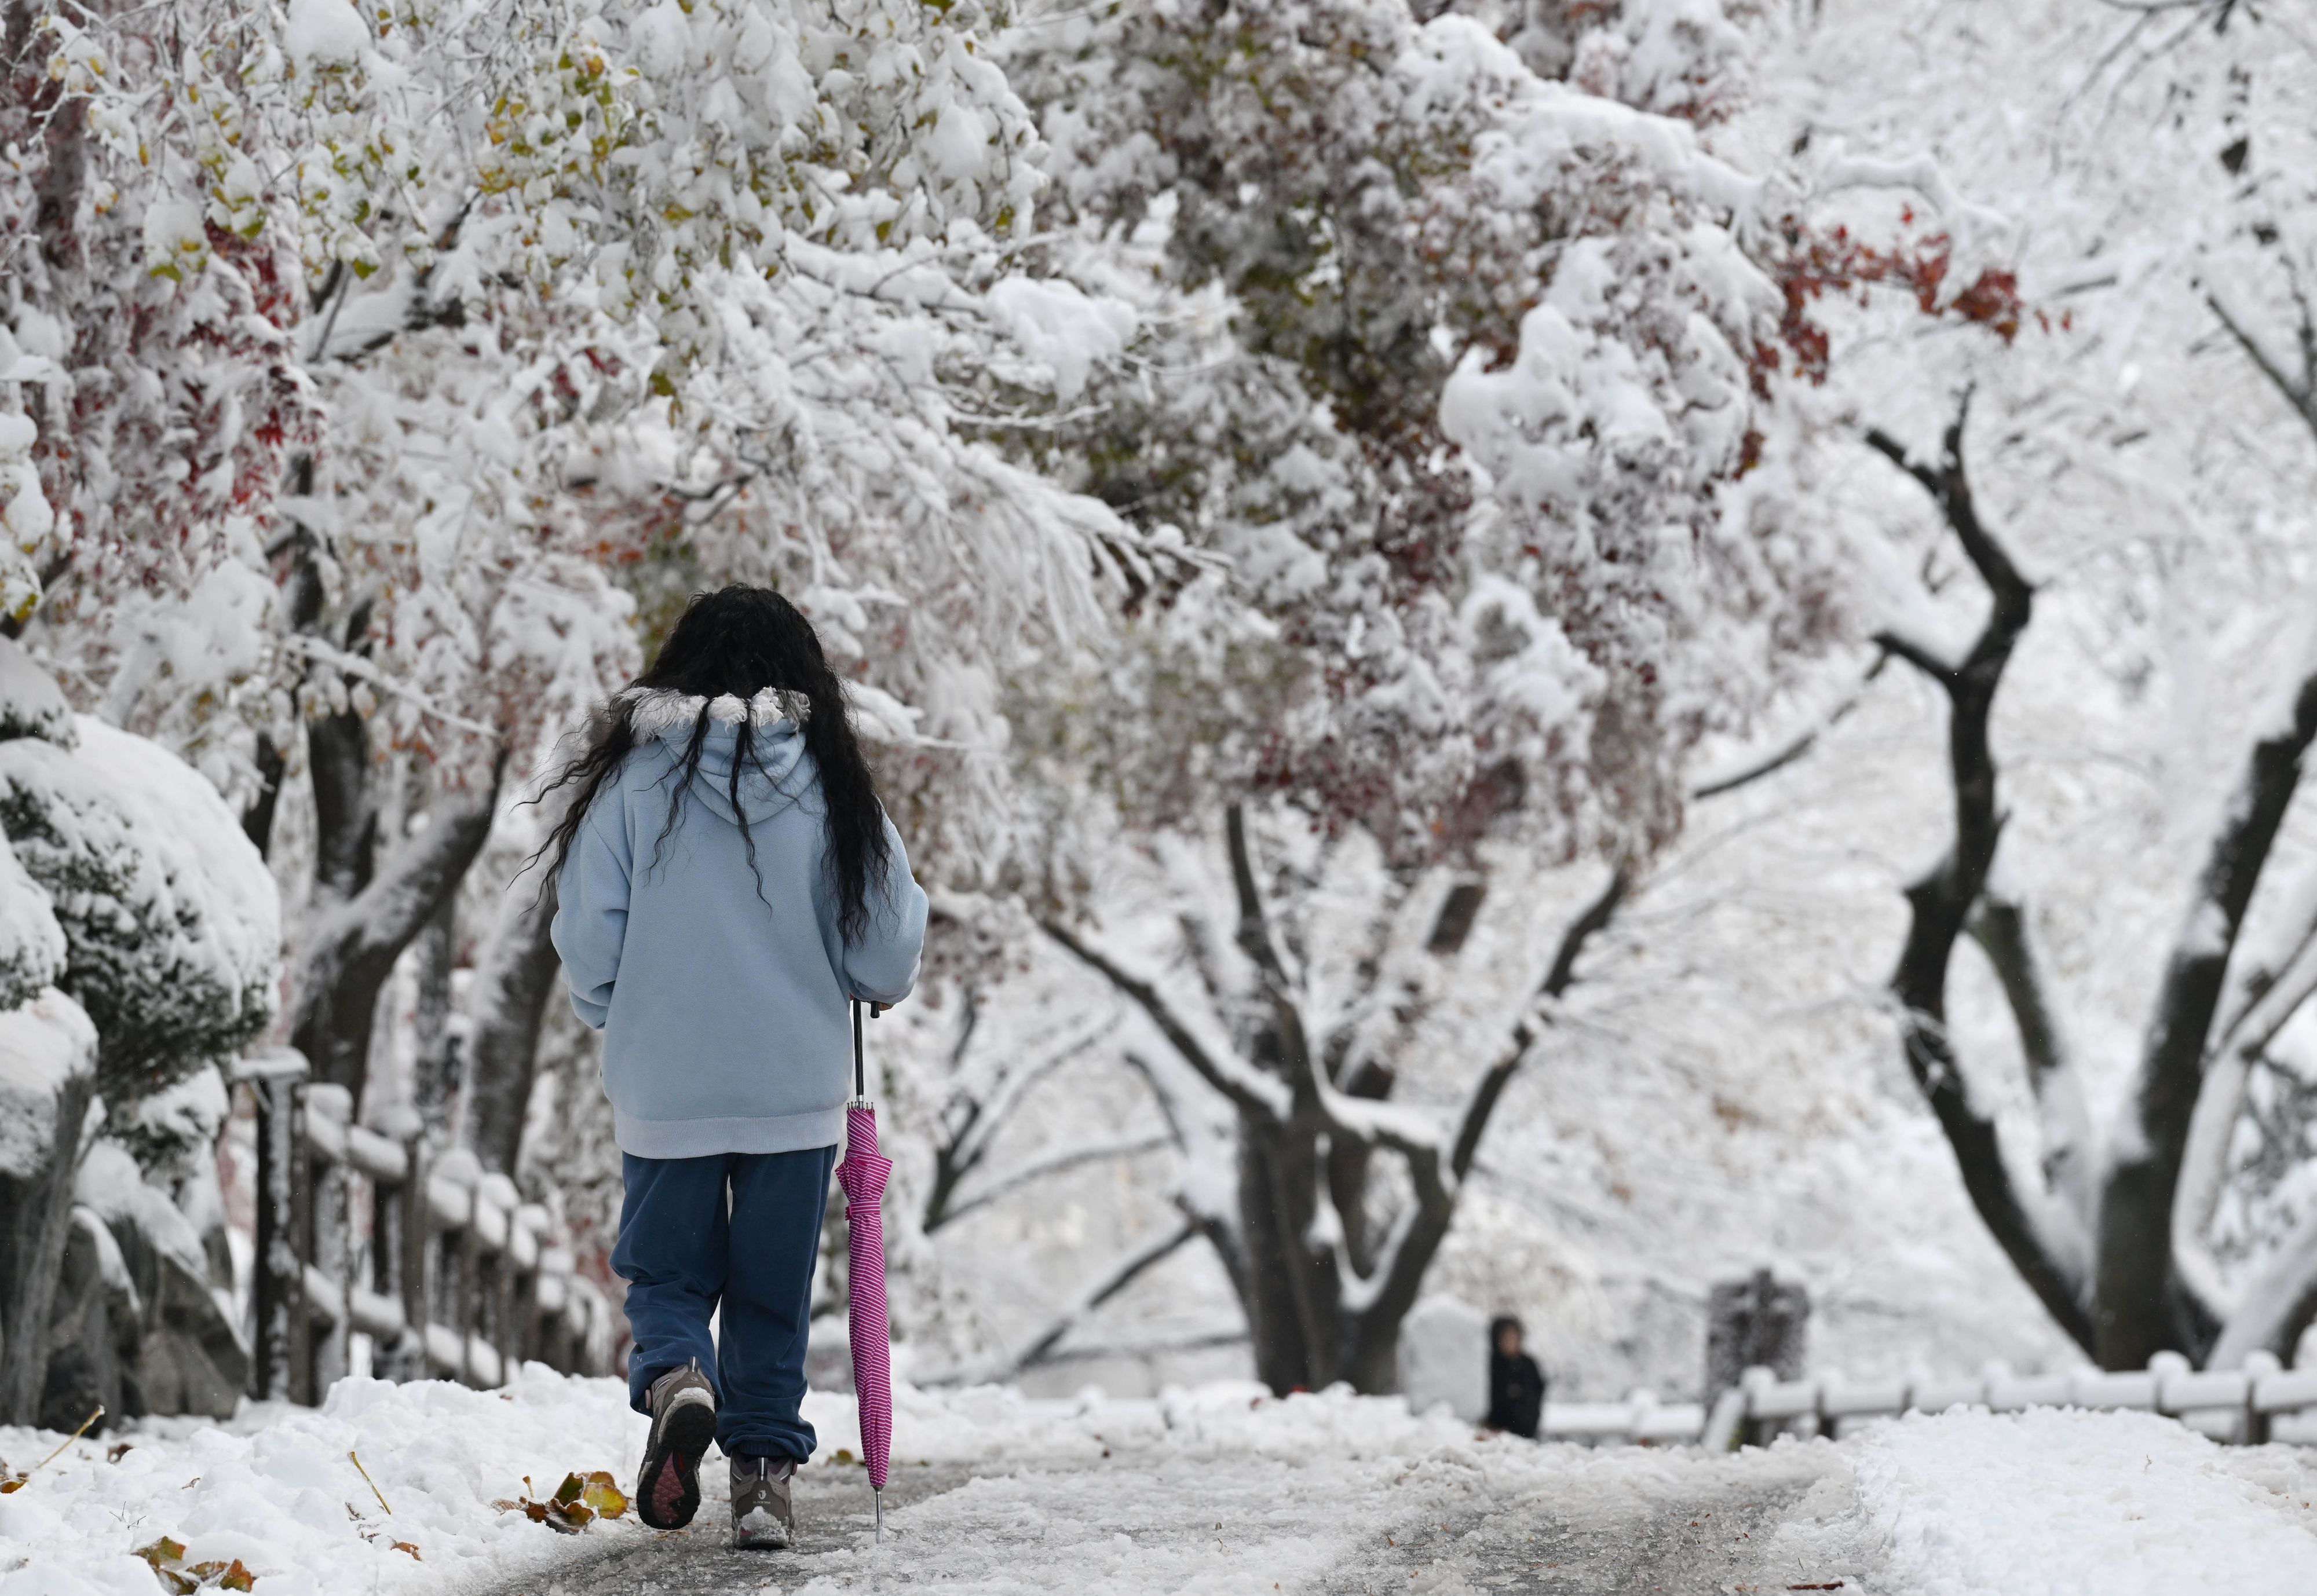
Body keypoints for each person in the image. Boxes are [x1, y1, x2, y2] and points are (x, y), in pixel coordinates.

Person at [542, 585, 928, 1549]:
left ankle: (677, 1375)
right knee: (770, 1290)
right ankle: (761, 1480)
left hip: (666, 1084)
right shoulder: (831, 783)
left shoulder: (634, 782)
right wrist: (858, 978)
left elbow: (590, 932)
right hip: (791, 1089)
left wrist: (610, 1008)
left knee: (665, 1273)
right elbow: (887, 941)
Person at [1486, 1315, 1545, 1438]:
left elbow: (1536, 1395)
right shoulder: (1488, 1365)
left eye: (1514, 1336)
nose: (1511, 1341)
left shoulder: (1528, 1365)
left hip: (1525, 1435)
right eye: (1506, 1337)